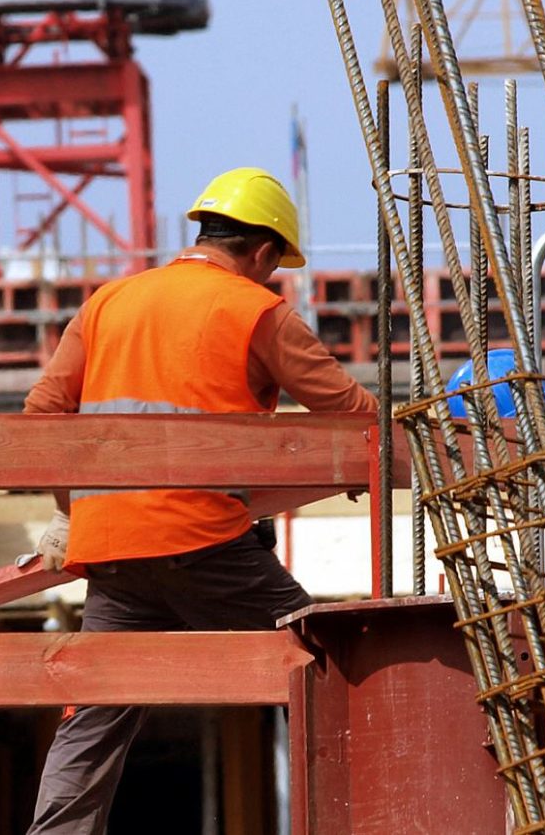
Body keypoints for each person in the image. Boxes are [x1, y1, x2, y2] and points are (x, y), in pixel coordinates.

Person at [22, 166, 377, 834]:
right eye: (275, 267)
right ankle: (368, 820)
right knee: (324, 670)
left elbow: (40, 413)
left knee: (95, 716)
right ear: (265, 252)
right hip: (205, 542)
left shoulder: (109, 301)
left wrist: (68, 510)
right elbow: (355, 414)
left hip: (111, 549)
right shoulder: (256, 310)